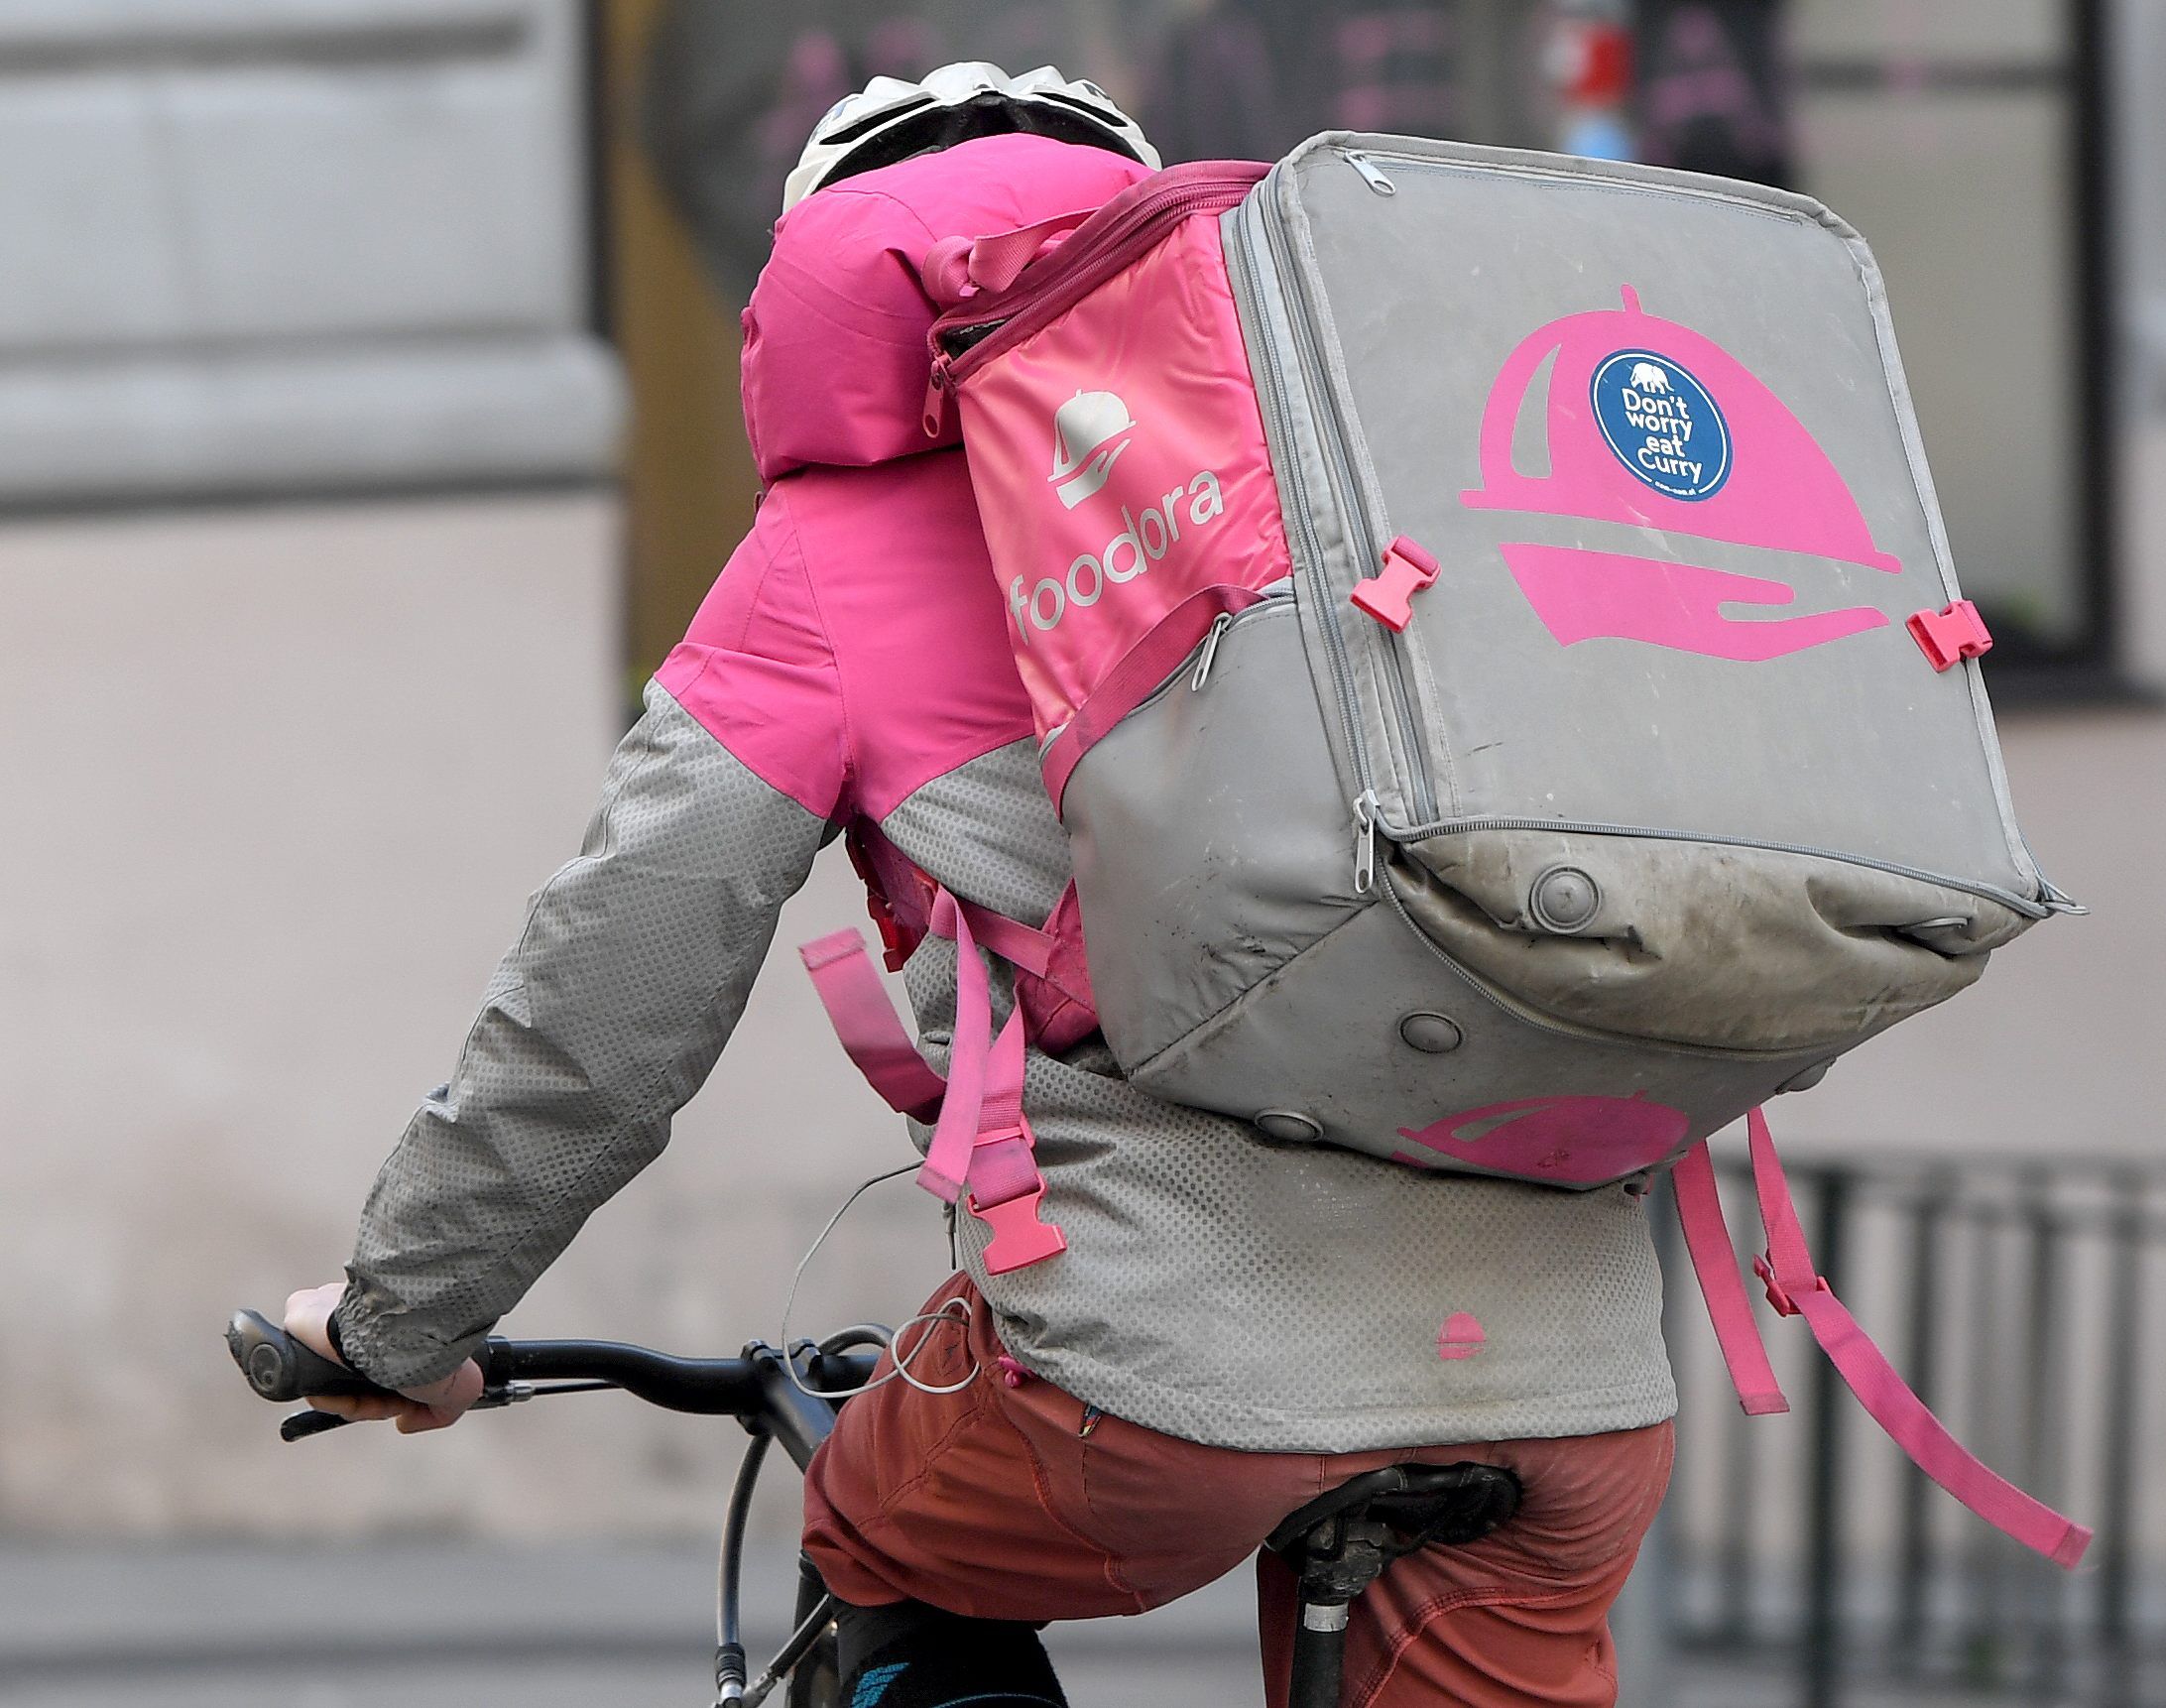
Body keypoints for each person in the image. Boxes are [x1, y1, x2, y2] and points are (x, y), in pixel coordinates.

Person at [280, 63, 1676, 1708]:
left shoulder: (831, 555)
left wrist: (404, 1314)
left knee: (878, 1525)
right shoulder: (1383, 481)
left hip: (1154, 1370)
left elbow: (612, 985)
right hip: (1574, 1370)